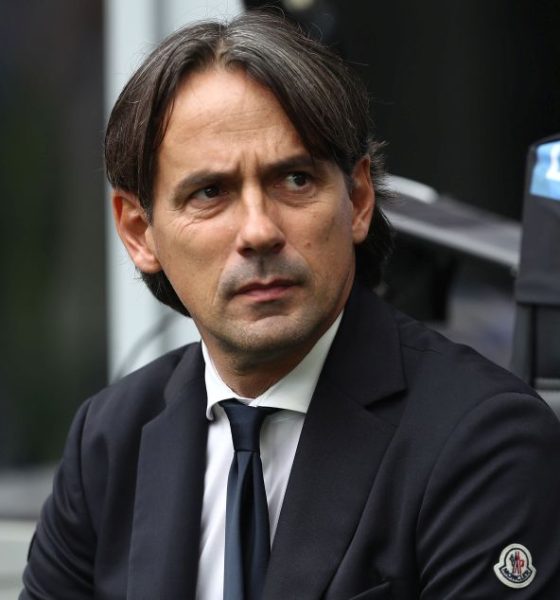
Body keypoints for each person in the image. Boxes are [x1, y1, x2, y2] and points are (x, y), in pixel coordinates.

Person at [21, 11, 560, 600]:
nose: (259, 231)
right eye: (210, 192)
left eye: (295, 180)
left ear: (358, 199)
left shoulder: (483, 441)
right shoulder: (108, 440)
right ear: (138, 232)